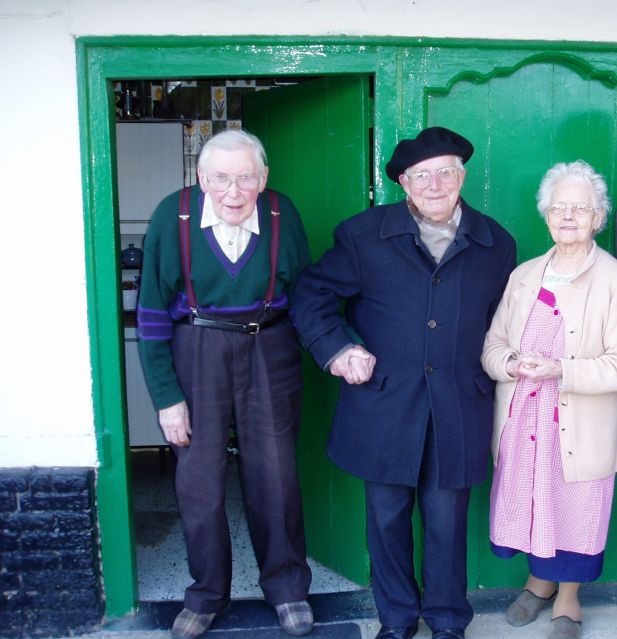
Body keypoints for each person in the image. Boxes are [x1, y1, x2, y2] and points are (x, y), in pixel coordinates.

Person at [291, 126, 516, 639]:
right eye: (421, 176)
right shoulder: (363, 234)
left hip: (459, 404)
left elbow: (507, 319)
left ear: (461, 177)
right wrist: (338, 348)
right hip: (385, 404)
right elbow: (312, 295)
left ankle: (446, 621)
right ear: (404, 184)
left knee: (446, 523)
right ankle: (396, 620)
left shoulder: (495, 242)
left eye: (445, 172)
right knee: (387, 519)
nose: (434, 184)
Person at [137, 129, 313, 638]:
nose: (233, 192)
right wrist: (168, 399)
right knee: (199, 480)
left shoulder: (283, 214)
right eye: (221, 179)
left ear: (263, 178)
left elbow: (307, 295)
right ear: (201, 177)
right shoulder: (173, 217)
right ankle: (207, 594)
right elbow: (150, 314)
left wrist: (334, 347)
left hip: (270, 348)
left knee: (276, 475)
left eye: (245, 179)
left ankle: (287, 589)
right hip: (197, 350)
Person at [481, 160, 617, 639]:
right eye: (558, 207)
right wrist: (512, 364)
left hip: (579, 423)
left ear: (598, 217)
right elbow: (492, 345)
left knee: (576, 507)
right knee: (535, 501)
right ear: (545, 215)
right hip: (523, 421)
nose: (568, 216)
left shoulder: (613, 278)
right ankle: (539, 581)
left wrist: (562, 370)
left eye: (580, 208)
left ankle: (569, 595)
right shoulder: (524, 276)